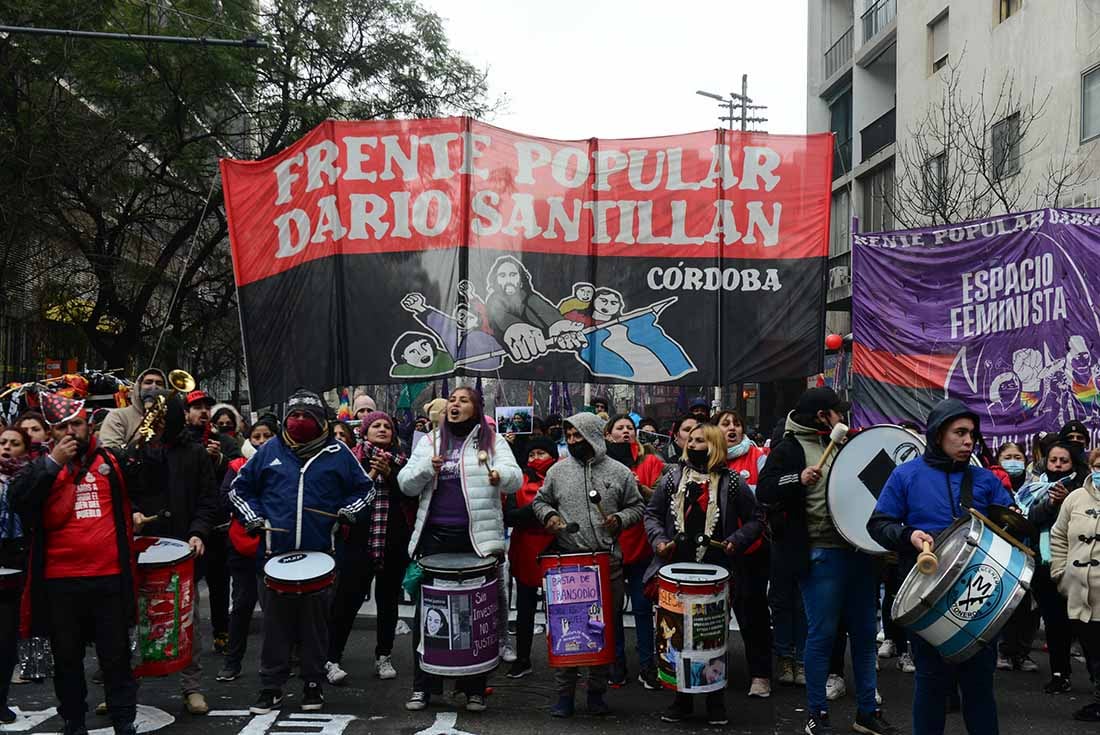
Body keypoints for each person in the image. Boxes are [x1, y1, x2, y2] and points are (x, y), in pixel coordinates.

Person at [868, 399, 1013, 735]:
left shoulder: (986, 480)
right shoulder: (905, 475)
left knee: (979, 687)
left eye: (972, 434)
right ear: (937, 435)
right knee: (931, 684)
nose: (968, 441)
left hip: (979, 593)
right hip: (927, 595)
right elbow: (879, 524)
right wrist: (908, 536)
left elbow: (1010, 523)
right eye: (959, 433)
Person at [229, 389, 376, 714]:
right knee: (275, 628)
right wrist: (252, 517)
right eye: (294, 416)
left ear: (321, 422)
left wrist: (349, 511)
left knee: (315, 626)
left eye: (306, 417)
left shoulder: (338, 453)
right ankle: (271, 686)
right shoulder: (268, 451)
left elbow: (365, 489)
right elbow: (239, 488)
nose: (298, 422)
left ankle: (313, 683)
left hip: (322, 557)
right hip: (272, 558)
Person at [758, 387, 893, 735]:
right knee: (822, 635)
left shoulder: (848, 445)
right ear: (823, 417)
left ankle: (867, 711)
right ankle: (816, 714)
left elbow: (874, 487)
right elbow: (765, 489)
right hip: (819, 552)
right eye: (837, 412)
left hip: (859, 551)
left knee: (864, 635)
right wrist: (797, 479)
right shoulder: (789, 448)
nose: (842, 417)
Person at [10, 394, 142, 735]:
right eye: (63, 426)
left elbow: (154, 478)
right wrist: (54, 462)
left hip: (109, 577)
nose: (71, 431)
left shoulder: (111, 460)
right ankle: (74, 720)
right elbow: (19, 499)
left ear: (89, 426)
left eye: (77, 424)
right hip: (59, 581)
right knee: (67, 659)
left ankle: (124, 719)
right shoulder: (39, 465)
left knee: (116, 658)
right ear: (52, 432)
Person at [398, 388, 521, 713]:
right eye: (452, 400)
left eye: (463, 400)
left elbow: (516, 479)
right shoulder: (429, 441)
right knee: (429, 614)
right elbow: (406, 484)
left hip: (477, 539)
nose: (455, 404)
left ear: (477, 409)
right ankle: (423, 687)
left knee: (475, 614)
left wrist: (500, 476)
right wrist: (428, 469)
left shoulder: (492, 441)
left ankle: (473, 689)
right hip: (435, 537)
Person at [645, 424, 765, 726]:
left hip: (716, 572)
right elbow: (652, 514)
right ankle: (681, 700)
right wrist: (659, 540)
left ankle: (715, 703)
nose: (694, 444)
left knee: (711, 637)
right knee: (677, 637)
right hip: (676, 570)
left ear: (714, 446)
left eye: (701, 440)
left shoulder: (733, 482)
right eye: (692, 440)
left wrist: (735, 541)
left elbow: (756, 519)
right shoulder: (673, 477)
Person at [531, 412, 644, 717]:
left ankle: (596, 693)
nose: (572, 441)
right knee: (565, 630)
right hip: (568, 563)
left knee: (602, 631)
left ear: (593, 435)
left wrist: (620, 519)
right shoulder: (557, 472)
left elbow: (638, 506)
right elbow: (540, 501)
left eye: (578, 435)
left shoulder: (619, 472)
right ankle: (564, 696)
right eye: (568, 437)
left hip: (607, 563)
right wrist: (550, 517)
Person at [129, 392, 219, 715]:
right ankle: (124, 686)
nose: (161, 422)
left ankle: (191, 687)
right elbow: (127, 493)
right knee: (135, 623)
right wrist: (135, 513)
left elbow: (209, 500)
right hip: (144, 549)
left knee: (187, 619)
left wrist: (198, 532)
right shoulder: (139, 452)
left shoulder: (195, 454)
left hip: (183, 550)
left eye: (167, 416)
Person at [326, 411, 413, 684]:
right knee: (346, 601)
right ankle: (332, 658)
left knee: (388, 602)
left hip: (392, 542)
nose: (382, 429)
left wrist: (391, 476)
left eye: (387, 426)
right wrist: (372, 473)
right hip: (357, 542)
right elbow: (343, 494)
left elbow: (410, 497)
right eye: (375, 425)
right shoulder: (350, 459)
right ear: (364, 432)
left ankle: (383, 656)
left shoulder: (404, 463)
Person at [713, 410, 774, 697]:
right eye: (725, 424)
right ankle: (712, 674)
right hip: (716, 554)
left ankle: (760, 674)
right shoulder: (708, 461)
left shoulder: (757, 457)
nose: (732, 428)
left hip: (751, 551)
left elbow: (764, 502)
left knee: (752, 613)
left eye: (736, 423)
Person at [1017, 438, 1083, 694]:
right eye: (1053, 460)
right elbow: (1031, 518)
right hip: (1045, 565)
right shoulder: (1036, 488)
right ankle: (1059, 673)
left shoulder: (1083, 490)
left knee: (1083, 625)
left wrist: (1066, 503)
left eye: (1063, 461)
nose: (1057, 465)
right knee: (1054, 623)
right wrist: (1051, 504)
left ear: (1073, 463)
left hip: (1076, 565)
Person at [216, 415, 279, 683]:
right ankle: (233, 661)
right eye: (257, 437)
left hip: (274, 548)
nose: (262, 441)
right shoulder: (237, 465)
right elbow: (225, 497)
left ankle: (279, 664)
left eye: (267, 436)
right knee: (242, 605)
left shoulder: (285, 465)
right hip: (242, 547)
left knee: (275, 610)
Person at [603, 414, 663, 689]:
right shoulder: (601, 465)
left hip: (641, 546)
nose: (626, 431)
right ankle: (616, 664)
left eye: (630, 427)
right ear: (608, 435)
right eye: (620, 428)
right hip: (611, 547)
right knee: (613, 610)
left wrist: (639, 487)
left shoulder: (651, 462)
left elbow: (662, 498)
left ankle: (648, 664)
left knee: (642, 607)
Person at [181, 390, 240, 657]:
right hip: (189, 524)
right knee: (187, 584)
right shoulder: (181, 442)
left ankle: (221, 632)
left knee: (219, 584)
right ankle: (183, 636)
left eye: (207, 407)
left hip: (217, 526)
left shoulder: (224, 442)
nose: (203, 412)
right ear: (186, 413)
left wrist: (219, 460)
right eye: (197, 408)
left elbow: (238, 469)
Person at [502, 436, 559, 679]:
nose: (535, 458)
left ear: (552, 456)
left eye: (541, 454)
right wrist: (541, 509)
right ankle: (523, 658)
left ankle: (565, 657)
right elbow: (509, 516)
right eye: (531, 454)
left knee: (558, 610)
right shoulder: (520, 480)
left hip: (556, 549)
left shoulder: (562, 478)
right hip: (525, 551)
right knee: (525, 609)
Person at [1050, 448, 1100, 721]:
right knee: (1091, 649)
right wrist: (1060, 572)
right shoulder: (1075, 499)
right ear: (1090, 467)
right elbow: (1057, 536)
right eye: (1098, 466)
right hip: (1079, 590)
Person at [989, 442, 1039, 673]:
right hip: (1002, 553)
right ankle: (1003, 651)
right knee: (1004, 605)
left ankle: (1023, 652)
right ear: (998, 460)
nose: (1013, 461)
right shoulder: (992, 484)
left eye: (1017, 457)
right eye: (1007, 456)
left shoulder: (1036, 487)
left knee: (1028, 609)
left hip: (1031, 552)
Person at [0, 426, 30, 723]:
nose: (7, 447)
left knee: (6, 638)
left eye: (15, 443)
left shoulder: (29, 477)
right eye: (3, 442)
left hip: (15, 558)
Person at [98, 369, 167, 449]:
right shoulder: (118, 416)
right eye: (148, 382)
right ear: (138, 387)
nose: (154, 387)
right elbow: (110, 452)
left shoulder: (171, 417)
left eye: (159, 383)